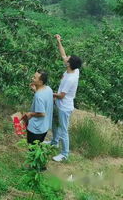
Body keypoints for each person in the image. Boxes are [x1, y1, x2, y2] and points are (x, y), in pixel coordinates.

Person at [49, 34, 82, 162]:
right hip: (59, 104)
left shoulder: (71, 78)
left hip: (64, 106)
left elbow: (61, 95)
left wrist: (48, 92)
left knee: (63, 129)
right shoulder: (74, 70)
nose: (66, 58)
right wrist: (58, 41)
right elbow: (63, 54)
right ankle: (54, 142)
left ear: (69, 64)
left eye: (68, 59)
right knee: (55, 123)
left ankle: (64, 154)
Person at [23, 70, 53, 145]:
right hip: (44, 127)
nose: (32, 78)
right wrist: (36, 90)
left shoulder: (38, 96)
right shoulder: (48, 89)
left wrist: (31, 114)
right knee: (38, 147)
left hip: (36, 129)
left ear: (40, 82)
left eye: (34, 78)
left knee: (32, 149)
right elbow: (44, 100)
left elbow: (42, 113)